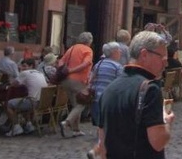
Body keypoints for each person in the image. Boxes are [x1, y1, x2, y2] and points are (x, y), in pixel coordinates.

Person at [100, 30, 174, 159]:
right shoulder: (150, 89)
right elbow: (158, 142)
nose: (165, 63)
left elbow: (102, 140)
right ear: (144, 54)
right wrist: (166, 122)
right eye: (162, 57)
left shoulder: (110, 88)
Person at [87, 41, 123, 159]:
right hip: (110, 99)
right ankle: (100, 148)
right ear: (113, 53)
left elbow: (91, 79)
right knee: (109, 125)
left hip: (97, 97)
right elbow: (120, 84)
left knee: (101, 123)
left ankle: (99, 146)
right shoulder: (117, 67)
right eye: (118, 51)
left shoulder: (99, 64)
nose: (120, 52)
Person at [58, 31, 93, 138]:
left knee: (75, 105)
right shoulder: (87, 50)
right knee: (82, 103)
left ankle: (76, 130)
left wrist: (64, 70)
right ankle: (67, 122)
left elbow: (61, 62)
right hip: (78, 81)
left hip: (66, 81)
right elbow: (86, 63)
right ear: (89, 41)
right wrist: (72, 70)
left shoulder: (72, 48)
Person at [5, 57, 47, 136]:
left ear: (31, 66)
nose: (22, 68)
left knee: (9, 104)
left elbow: (14, 84)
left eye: (24, 66)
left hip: (33, 102)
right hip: (43, 102)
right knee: (25, 99)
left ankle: (16, 127)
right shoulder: (40, 73)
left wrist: (10, 81)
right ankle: (29, 124)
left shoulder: (25, 73)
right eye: (22, 66)